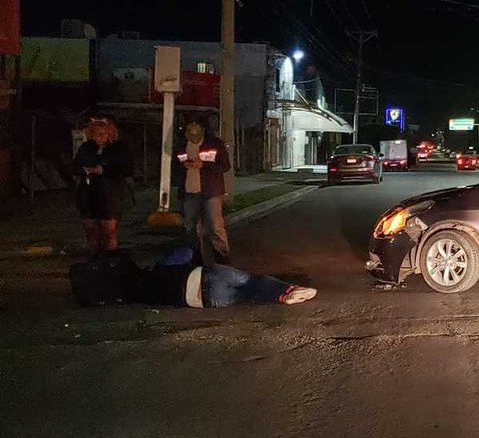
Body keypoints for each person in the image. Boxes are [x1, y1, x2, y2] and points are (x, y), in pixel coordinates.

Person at [139, 247, 317, 308]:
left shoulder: (145, 296)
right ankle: (287, 291)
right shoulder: (161, 267)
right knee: (251, 281)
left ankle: (283, 296)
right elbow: (185, 252)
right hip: (208, 277)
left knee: (249, 295)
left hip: (208, 301)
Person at [173, 117, 231, 266]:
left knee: (215, 226)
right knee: (189, 226)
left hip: (211, 191)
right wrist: (183, 165)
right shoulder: (181, 147)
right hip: (189, 192)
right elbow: (174, 167)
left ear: (203, 130)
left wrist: (203, 164)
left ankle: (222, 258)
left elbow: (225, 165)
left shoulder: (214, 144)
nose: (192, 136)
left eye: (196, 132)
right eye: (189, 132)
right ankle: (195, 258)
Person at [72, 116, 134, 254]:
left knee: (109, 231)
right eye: (94, 134)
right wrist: (84, 169)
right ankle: (93, 260)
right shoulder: (86, 147)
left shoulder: (119, 149)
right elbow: (75, 166)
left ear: (110, 133)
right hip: (89, 194)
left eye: (101, 134)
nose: (98, 137)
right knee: (91, 230)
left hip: (111, 195)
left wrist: (104, 170)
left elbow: (127, 169)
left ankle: (110, 260)